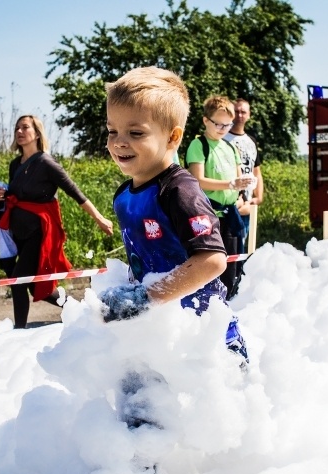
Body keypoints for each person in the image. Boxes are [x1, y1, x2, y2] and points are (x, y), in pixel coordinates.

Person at [99, 66, 248, 426]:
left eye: (136, 132)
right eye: (112, 131)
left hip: (201, 337)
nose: (120, 142)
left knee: (225, 428)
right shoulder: (124, 195)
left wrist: (148, 296)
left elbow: (212, 261)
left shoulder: (178, 190)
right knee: (137, 418)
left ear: (172, 137)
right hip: (153, 330)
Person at [0, 114, 114, 329]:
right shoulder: (15, 164)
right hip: (18, 232)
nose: (19, 132)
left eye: (25, 127)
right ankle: (86, 310)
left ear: (37, 133)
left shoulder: (46, 162)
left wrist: (99, 218)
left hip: (39, 234)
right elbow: (16, 195)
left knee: (18, 282)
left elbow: (74, 191)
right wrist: (0, 194)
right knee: (40, 288)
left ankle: (18, 331)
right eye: (17, 128)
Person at [185, 96, 252, 299]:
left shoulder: (230, 147)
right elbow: (198, 179)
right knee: (210, 265)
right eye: (218, 124)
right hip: (208, 217)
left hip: (230, 214)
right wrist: (230, 184)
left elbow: (239, 177)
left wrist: (241, 190)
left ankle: (230, 302)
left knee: (233, 266)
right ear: (206, 121)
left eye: (227, 125)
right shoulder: (198, 145)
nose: (223, 129)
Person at [224, 98, 264, 232]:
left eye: (243, 112)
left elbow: (256, 171)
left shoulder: (251, 141)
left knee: (244, 249)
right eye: (236, 111)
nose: (240, 115)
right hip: (229, 204)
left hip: (248, 205)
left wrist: (258, 198)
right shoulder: (222, 138)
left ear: (249, 114)